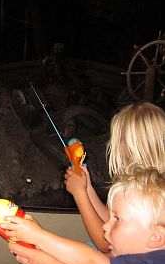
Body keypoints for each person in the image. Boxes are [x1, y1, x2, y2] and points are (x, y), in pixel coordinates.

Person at [1, 167, 165, 264]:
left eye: (117, 219)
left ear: (156, 236)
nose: (105, 226)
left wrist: (37, 236)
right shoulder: (139, 258)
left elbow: (90, 261)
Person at [65, 102, 165, 252]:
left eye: (119, 139)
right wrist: (87, 188)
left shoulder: (150, 193)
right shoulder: (135, 182)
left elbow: (106, 244)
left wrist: (80, 195)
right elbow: (111, 220)